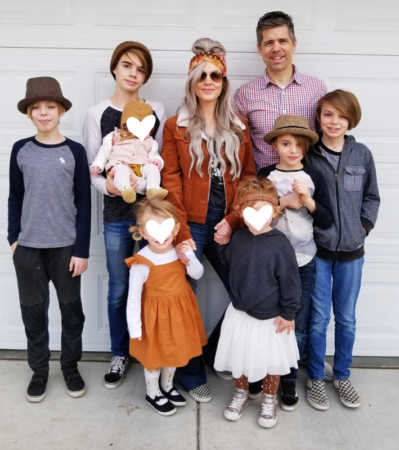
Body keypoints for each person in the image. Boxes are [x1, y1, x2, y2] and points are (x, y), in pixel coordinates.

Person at [161, 37, 256, 402]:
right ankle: (190, 371)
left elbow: (247, 176)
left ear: (224, 82)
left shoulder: (239, 125)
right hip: (192, 222)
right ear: (191, 81)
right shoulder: (175, 126)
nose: (209, 81)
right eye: (201, 75)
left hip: (228, 222)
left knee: (248, 291)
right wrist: (182, 233)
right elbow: (170, 181)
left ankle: (216, 352)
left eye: (215, 75)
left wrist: (232, 219)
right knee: (184, 295)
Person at [82, 41, 165, 389]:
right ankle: (120, 352)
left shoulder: (155, 109)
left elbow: (157, 156)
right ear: (115, 68)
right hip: (116, 216)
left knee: (152, 287)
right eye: (128, 65)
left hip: (150, 215)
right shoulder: (97, 113)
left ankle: (149, 351)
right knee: (119, 288)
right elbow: (92, 169)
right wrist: (110, 188)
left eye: (141, 69)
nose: (134, 73)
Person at [8, 76, 91, 402]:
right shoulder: (21, 150)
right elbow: (15, 197)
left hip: (66, 249)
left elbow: (84, 202)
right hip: (28, 249)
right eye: (37, 108)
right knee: (34, 312)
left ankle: (70, 368)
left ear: (61, 110)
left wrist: (81, 250)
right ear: (30, 113)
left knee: (72, 312)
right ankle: (39, 371)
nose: (44, 113)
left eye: (50, 107)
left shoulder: (74, 151)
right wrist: (13, 239)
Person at [304, 89, 380, 410]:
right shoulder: (309, 157)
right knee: (319, 318)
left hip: (352, 253)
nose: (334, 122)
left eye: (341, 115)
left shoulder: (361, 155)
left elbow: (372, 197)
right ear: (319, 118)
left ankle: (343, 375)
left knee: (346, 318)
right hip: (319, 252)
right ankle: (316, 378)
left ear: (351, 119)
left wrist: (363, 227)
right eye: (328, 114)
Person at [258, 115, 333, 411]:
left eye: (298, 146)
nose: (292, 150)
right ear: (275, 144)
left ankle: (288, 378)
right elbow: (257, 217)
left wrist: (307, 201)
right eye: (286, 143)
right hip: (271, 261)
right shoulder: (265, 175)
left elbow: (326, 218)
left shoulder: (313, 176)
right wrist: (282, 204)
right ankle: (262, 374)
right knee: (267, 318)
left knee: (295, 322)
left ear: (305, 149)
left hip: (304, 260)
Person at [214, 176, 301, 429]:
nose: (255, 216)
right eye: (249, 210)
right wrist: (221, 246)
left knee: (270, 361)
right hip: (240, 313)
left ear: (274, 211)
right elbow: (229, 265)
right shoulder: (239, 238)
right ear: (240, 211)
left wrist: (289, 312)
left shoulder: (280, 245)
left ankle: (269, 398)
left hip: (271, 318)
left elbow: (290, 282)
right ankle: (241, 393)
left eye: (262, 210)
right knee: (240, 357)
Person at [125, 198, 206, 415]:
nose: (160, 236)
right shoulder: (141, 261)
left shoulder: (179, 252)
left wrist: (188, 255)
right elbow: (133, 298)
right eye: (153, 228)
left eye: (167, 227)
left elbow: (197, 274)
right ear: (142, 232)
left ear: (176, 228)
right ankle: (153, 392)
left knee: (173, 352)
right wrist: (135, 329)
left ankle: (168, 387)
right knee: (155, 359)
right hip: (154, 318)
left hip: (179, 313)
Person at [234, 10, 327, 170]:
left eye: (282, 41)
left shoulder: (316, 89)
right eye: (269, 43)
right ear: (260, 49)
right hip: (264, 187)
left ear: (294, 44)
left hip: (307, 185)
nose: (276, 48)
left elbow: (327, 137)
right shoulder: (245, 94)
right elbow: (239, 146)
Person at [90, 100, 167, 204]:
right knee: (121, 171)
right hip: (120, 164)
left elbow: (154, 154)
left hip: (141, 169)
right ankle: (126, 189)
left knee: (152, 169)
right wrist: (98, 165)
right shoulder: (114, 136)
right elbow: (103, 152)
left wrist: (158, 162)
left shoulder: (150, 141)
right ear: (125, 124)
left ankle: (153, 189)